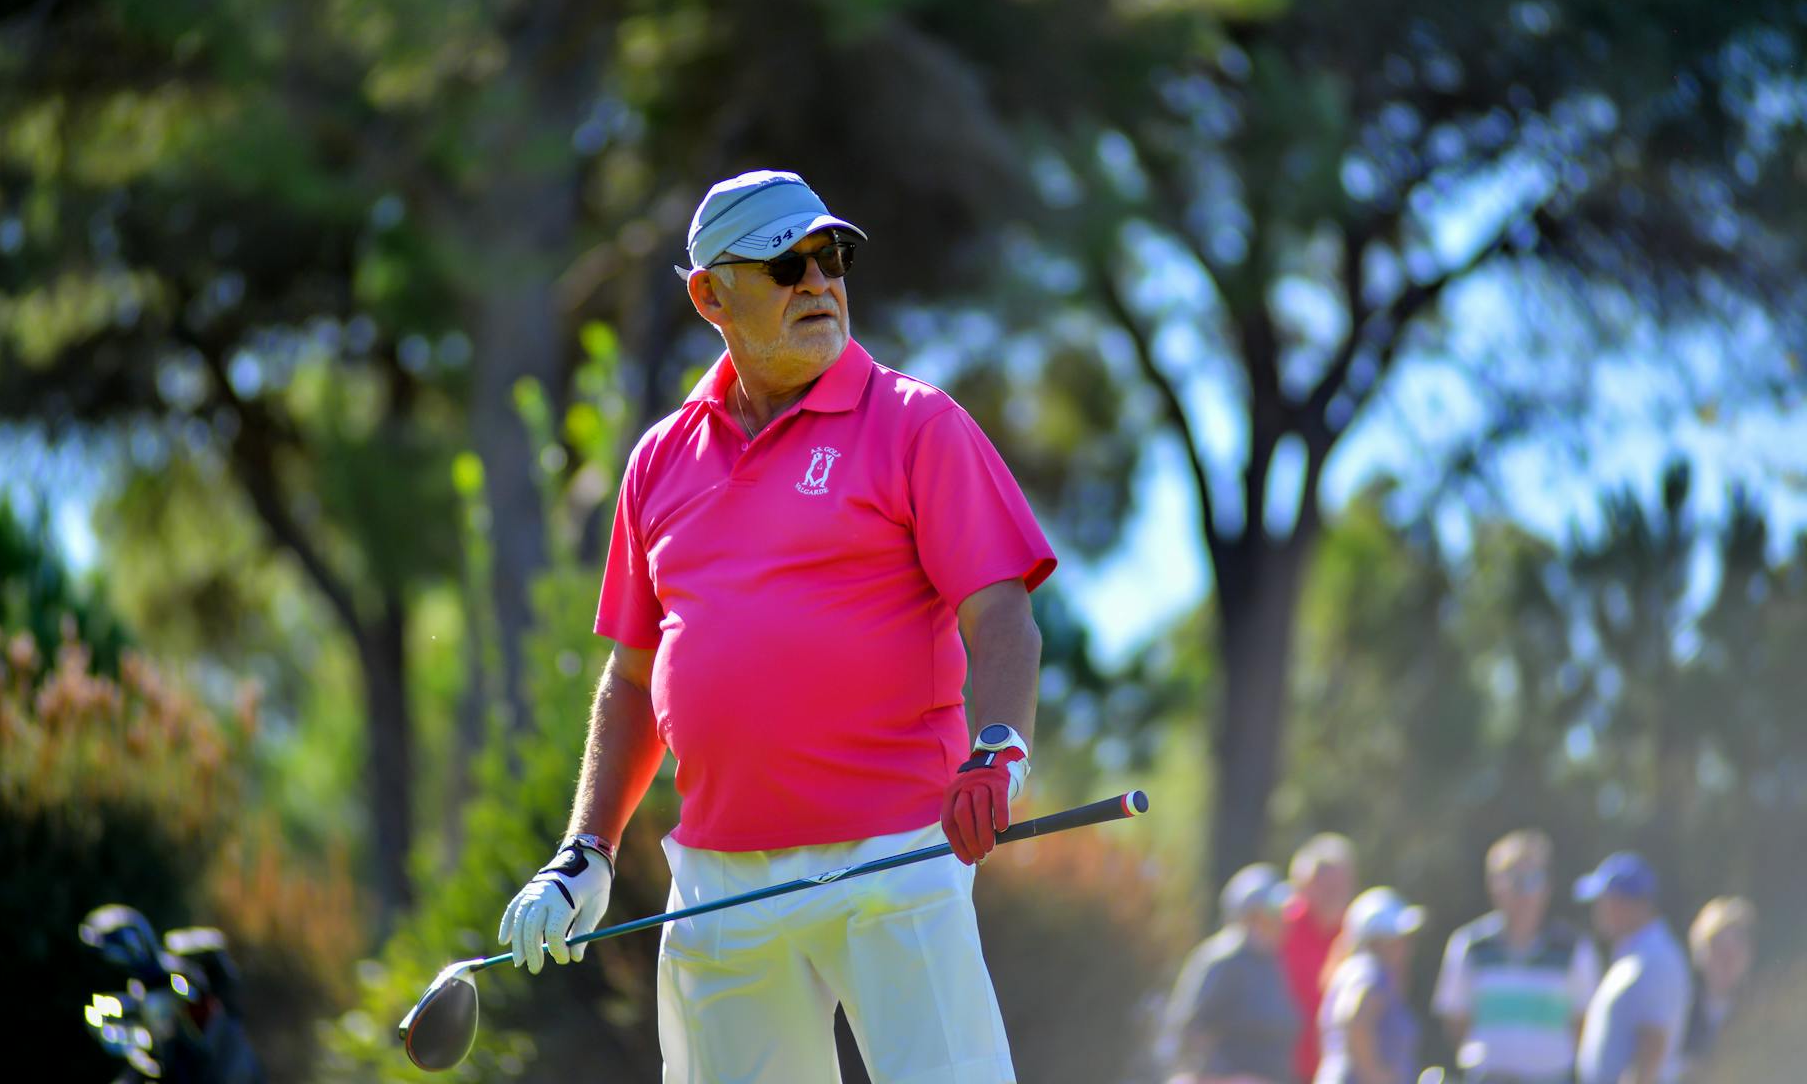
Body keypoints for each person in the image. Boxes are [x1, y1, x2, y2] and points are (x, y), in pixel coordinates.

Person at [495, 169, 1056, 1083]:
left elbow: (1003, 616)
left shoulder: (917, 424)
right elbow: (633, 680)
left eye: (829, 257)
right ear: (710, 294)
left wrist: (997, 749)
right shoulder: (659, 462)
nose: (817, 283)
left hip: (897, 858)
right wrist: (585, 851)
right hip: (720, 886)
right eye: (784, 264)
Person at [1431, 829, 1600, 1084]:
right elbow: (1456, 1019)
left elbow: (1583, 1021)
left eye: (1532, 878)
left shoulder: (1575, 948)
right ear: (1492, 885)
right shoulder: (1469, 945)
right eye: (1511, 878)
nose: (1522, 890)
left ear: (1547, 887)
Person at [1163, 863, 1302, 1084]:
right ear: (1248, 915)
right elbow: (1189, 1031)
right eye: (1270, 912)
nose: (1281, 920)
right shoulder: (1224, 959)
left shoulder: (1272, 960)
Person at [1573, 853, 1691, 1084]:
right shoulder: (1636, 954)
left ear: (1626, 903)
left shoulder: (1655, 958)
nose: (1597, 911)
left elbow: (1652, 1043)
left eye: (1604, 900)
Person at [1314, 887, 1425, 1084]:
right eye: (1396, 939)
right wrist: (1376, 1077)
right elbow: (1353, 1019)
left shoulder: (1352, 970)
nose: (1404, 946)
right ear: (1375, 941)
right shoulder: (1369, 970)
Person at [1283, 833, 1359, 1082]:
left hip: (1333, 1069)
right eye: (1325, 885)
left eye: (1341, 885)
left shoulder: (1355, 933)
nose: (1335, 893)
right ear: (1305, 885)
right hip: (1283, 1066)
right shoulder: (1282, 927)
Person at [1681, 896, 1755, 1075]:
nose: (1727, 959)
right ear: (1698, 951)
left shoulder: (1761, 1011)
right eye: (1718, 947)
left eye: (1736, 949)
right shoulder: (1679, 1008)